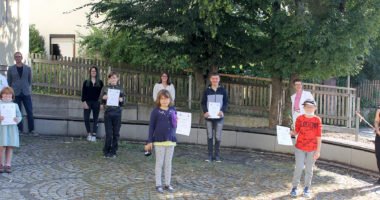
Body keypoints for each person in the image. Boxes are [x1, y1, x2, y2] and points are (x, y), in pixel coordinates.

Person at [145, 89, 177, 193]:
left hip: (170, 141)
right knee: (159, 163)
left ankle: (167, 184)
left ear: (170, 99)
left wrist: (178, 122)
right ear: (158, 99)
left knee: (168, 163)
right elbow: (151, 127)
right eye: (162, 98)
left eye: (166, 98)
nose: (164, 101)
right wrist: (150, 141)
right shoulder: (155, 111)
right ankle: (158, 184)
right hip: (159, 141)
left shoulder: (173, 110)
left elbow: (174, 125)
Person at [290, 99, 322, 198]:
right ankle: (294, 188)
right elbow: (296, 132)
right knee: (299, 167)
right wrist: (289, 132)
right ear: (304, 107)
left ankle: (307, 188)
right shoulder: (299, 118)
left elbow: (319, 136)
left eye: (311, 107)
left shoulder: (317, 120)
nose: (309, 108)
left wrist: (318, 151)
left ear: (315, 108)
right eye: (307, 106)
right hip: (300, 147)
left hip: (312, 149)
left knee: (309, 169)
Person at [201, 72, 228, 162]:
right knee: (209, 136)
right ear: (210, 79)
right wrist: (205, 112)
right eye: (213, 78)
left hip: (219, 118)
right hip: (209, 118)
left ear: (219, 79)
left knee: (218, 137)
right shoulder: (207, 91)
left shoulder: (223, 90)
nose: (215, 80)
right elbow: (203, 103)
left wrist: (222, 111)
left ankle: (217, 156)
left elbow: (226, 103)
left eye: (216, 78)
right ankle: (209, 155)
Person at [7, 52, 35, 136]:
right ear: (14, 58)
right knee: (17, 112)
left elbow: (29, 80)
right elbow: (9, 81)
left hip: (26, 92)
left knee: (29, 111)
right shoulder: (11, 69)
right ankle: (20, 130)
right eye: (16, 57)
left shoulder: (27, 68)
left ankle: (32, 130)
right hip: (16, 93)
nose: (17, 58)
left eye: (19, 56)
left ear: (21, 57)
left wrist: (25, 87)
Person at [101, 72, 125, 158]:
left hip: (117, 113)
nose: (113, 79)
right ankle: (106, 151)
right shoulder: (105, 88)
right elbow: (101, 100)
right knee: (109, 133)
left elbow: (124, 101)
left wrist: (122, 99)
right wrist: (103, 98)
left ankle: (113, 151)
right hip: (108, 113)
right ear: (109, 79)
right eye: (111, 78)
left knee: (116, 133)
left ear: (117, 79)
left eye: (115, 77)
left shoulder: (121, 89)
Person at [0, 87, 22, 173]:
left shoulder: (15, 106)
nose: (6, 97)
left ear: (12, 97)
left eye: (9, 95)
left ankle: (8, 164)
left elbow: (19, 116)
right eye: (4, 94)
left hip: (12, 128)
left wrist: (17, 119)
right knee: (1, 147)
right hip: (2, 129)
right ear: (1, 96)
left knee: (10, 146)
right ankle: (0, 164)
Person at [81, 66, 104, 142]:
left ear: (96, 72)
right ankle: (89, 134)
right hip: (87, 102)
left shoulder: (100, 82)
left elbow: (102, 94)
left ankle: (94, 134)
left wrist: (101, 103)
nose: (93, 72)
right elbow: (83, 93)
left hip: (96, 102)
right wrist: (84, 102)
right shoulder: (86, 82)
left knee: (95, 119)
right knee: (86, 118)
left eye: (94, 71)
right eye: (92, 71)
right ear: (90, 72)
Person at [373, 107, 380, 185]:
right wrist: (377, 130)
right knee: (378, 156)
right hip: (379, 136)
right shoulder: (379, 110)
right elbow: (376, 121)